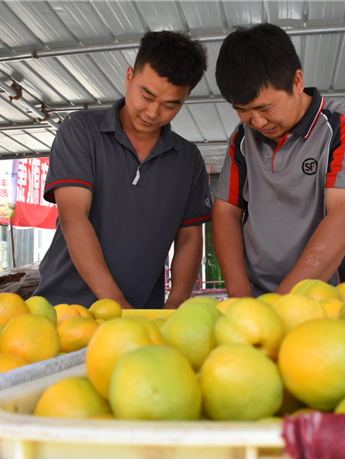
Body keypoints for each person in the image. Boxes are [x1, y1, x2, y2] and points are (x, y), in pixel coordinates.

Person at [33, 31, 212, 309]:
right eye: (146, 95)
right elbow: (74, 217)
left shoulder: (188, 159)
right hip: (65, 308)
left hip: (141, 316)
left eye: (169, 105)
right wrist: (116, 303)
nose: (153, 113)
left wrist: (176, 302)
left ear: (185, 99)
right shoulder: (81, 131)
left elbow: (189, 237)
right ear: (129, 77)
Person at [213, 23, 345, 297]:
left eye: (265, 108)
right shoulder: (243, 139)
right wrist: (240, 296)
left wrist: (282, 305)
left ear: (297, 81)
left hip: (331, 300)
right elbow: (226, 212)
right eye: (242, 110)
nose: (257, 121)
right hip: (259, 303)